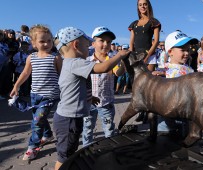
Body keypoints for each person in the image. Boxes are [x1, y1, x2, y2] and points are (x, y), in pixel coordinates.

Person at [53, 27, 129, 170]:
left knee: (68, 152)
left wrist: (90, 97)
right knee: (64, 157)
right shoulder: (76, 62)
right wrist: (119, 55)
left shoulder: (69, 63)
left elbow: (76, 88)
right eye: (86, 44)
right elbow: (103, 68)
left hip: (70, 117)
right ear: (76, 45)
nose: (88, 46)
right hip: (69, 120)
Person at [9, 24, 62, 161]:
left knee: (37, 121)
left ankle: (33, 146)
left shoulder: (56, 57)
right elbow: (25, 73)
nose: (46, 44)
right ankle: (48, 135)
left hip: (50, 96)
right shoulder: (31, 57)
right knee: (39, 118)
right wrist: (16, 86)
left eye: (49, 40)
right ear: (33, 43)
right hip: (34, 94)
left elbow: (62, 75)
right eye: (42, 41)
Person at [82, 26, 126, 146]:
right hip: (89, 103)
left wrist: (123, 62)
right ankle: (87, 149)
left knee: (109, 129)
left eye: (109, 41)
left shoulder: (112, 60)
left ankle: (110, 149)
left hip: (106, 103)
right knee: (87, 129)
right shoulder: (87, 61)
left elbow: (118, 72)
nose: (105, 44)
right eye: (102, 40)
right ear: (93, 43)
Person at [152, 31, 194, 136]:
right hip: (165, 119)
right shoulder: (163, 70)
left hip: (184, 116)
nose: (187, 53)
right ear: (170, 51)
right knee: (163, 142)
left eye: (188, 50)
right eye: (183, 50)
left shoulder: (190, 70)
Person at [128, 0, 161, 72]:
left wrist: (147, 57)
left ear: (148, 5)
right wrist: (131, 56)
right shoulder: (134, 24)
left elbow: (156, 41)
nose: (142, 6)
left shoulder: (154, 22)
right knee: (136, 81)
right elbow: (131, 42)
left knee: (149, 80)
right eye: (140, 5)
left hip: (150, 56)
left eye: (145, 4)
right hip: (136, 56)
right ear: (138, 7)